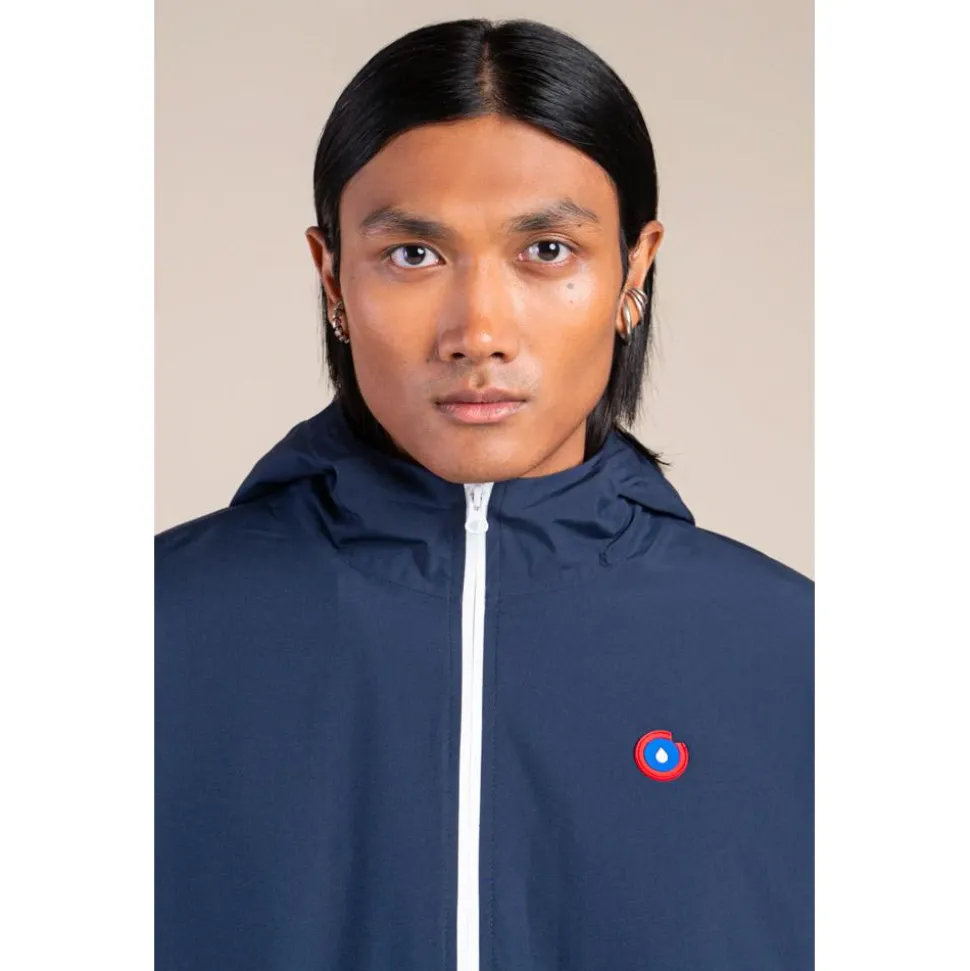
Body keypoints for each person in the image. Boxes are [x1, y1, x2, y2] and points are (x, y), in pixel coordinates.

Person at [155, 17, 813, 971]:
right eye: (413, 255)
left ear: (634, 271)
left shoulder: (802, 659)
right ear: (331, 276)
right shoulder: (143, 635)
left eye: (546, 249)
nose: (478, 331)